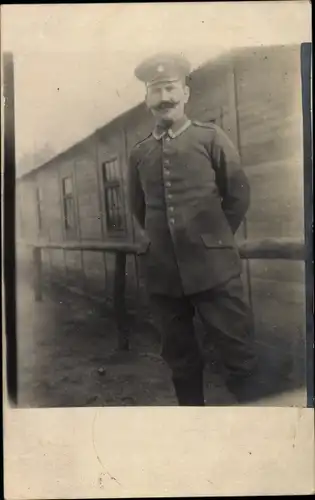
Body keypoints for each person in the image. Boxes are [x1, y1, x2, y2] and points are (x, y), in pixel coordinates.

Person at [128, 52, 257, 405]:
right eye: (156, 91)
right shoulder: (139, 154)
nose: (164, 98)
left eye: (170, 88)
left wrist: (214, 239)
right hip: (164, 275)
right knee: (180, 362)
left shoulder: (210, 138)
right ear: (147, 100)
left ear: (185, 93)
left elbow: (238, 195)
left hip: (214, 270)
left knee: (239, 355)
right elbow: (140, 210)